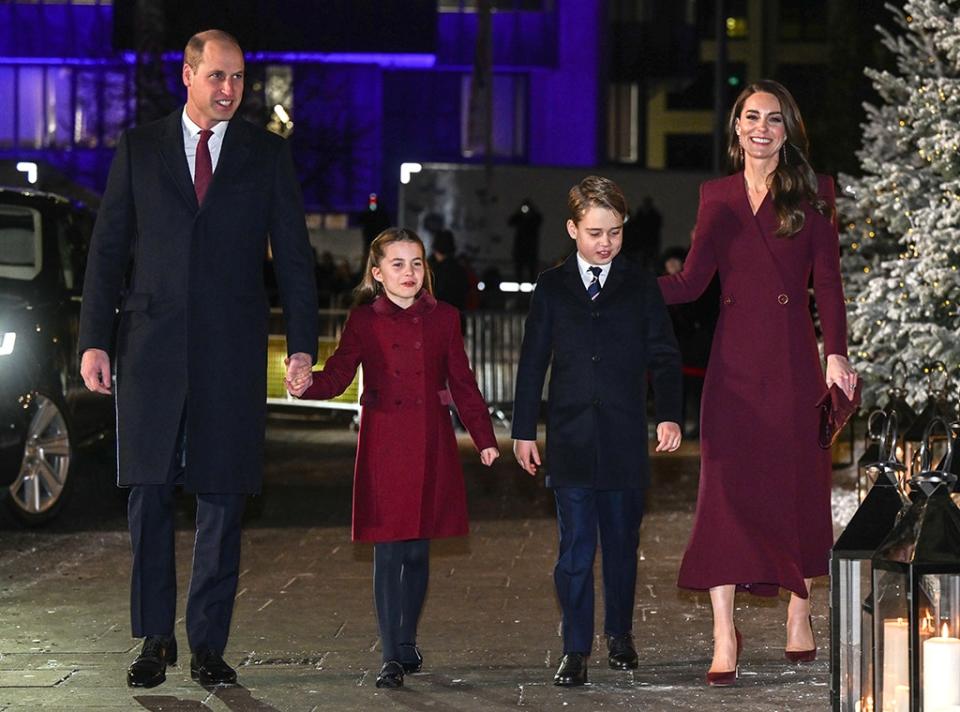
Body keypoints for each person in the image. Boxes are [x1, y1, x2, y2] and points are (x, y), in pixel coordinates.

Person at [78, 30, 319, 689]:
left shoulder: (266, 155)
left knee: (221, 496)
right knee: (148, 494)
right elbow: (107, 251)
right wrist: (93, 339)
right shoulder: (139, 148)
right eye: (217, 75)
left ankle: (209, 643)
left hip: (231, 354)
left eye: (239, 78)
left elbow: (294, 259)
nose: (229, 89)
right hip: (149, 348)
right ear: (187, 74)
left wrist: (303, 344)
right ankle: (155, 639)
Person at [657, 79, 858, 686]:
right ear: (736, 127)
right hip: (734, 367)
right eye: (751, 116)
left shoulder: (815, 192)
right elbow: (692, 284)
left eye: (773, 118)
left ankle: (800, 608)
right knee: (722, 494)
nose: (761, 127)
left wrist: (837, 355)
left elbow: (828, 282)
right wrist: (621, 284)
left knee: (798, 484)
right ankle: (724, 631)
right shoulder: (715, 195)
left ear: (787, 129)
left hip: (795, 362)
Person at [298, 227, 500, 690]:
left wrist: (484, 437)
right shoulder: (364, 320)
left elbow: (463, 382)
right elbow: (340, 372)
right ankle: (391, 654)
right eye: (397, 264)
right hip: (384, 443)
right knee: (388, 550)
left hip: (431, 442)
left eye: (415, 264)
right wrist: (309, 383)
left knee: (417, 548)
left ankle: (407, 640)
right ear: (377, 273)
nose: (408, 273)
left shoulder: (445, 317)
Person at [512, 176, 683, 687]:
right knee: (575, 547)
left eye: (614, 231)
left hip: (625, 437)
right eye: (593, 232)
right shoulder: (551, 285)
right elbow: (532, 361)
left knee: (622, 542)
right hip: (569, 438)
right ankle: (575, 647)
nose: (605, 242)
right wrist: (524, 430)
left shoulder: (640, 284)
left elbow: (665, 355)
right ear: (572, 229)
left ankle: (621, 633)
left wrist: (669, 414)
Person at [508, 198, 543, 282]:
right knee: (519, 270)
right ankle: (519, 285)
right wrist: (519, 212)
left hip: (531, 249)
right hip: (520, 249)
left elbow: (539, 219)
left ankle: (532, 287)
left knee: (532, 271)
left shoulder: (534, 219)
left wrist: (532, 212)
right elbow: (510, 221)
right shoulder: (519, 218)